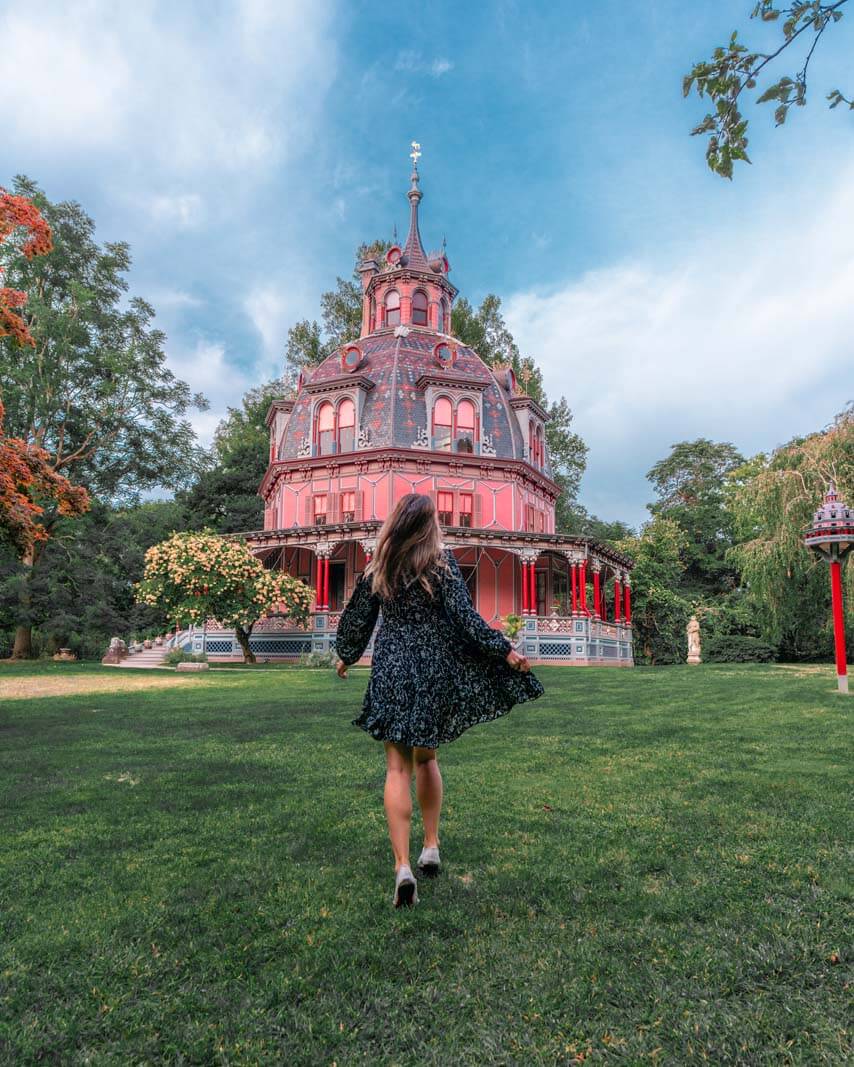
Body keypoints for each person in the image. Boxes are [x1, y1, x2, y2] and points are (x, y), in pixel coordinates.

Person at [335, 492, 545, 908]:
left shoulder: (379, 567)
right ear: (429, 526)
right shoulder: (442, 565)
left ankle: (402, 867)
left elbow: (359, 617)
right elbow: (466, 620)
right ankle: (430, 845)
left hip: (392, 667)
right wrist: (505, 649)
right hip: (432, 669)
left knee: (396, 768)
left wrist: (346, 654)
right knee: (426, 758)